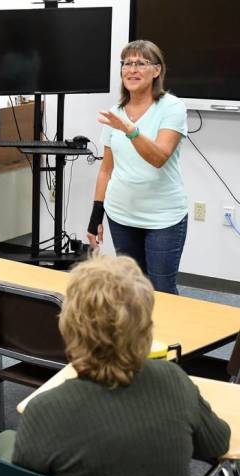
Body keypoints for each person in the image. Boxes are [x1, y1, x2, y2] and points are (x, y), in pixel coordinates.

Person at [0, 254, 230, 476]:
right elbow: (217, 442)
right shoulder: (174, 381)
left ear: (69, 327)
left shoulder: (44, 410)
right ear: (146, 327)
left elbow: (21, 468)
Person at [87, 40, 189, 294]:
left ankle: (170, 336)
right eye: (127, 63)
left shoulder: (172, 107)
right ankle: (136, 336)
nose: (131, 69)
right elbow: (105, 170)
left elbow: (159, 157)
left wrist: (131, 131)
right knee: (132, 290)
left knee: (162, 289)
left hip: (164, 218)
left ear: (156, 71)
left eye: (140, 63)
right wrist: (96, 215)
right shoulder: (115, 112)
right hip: (121, 215)